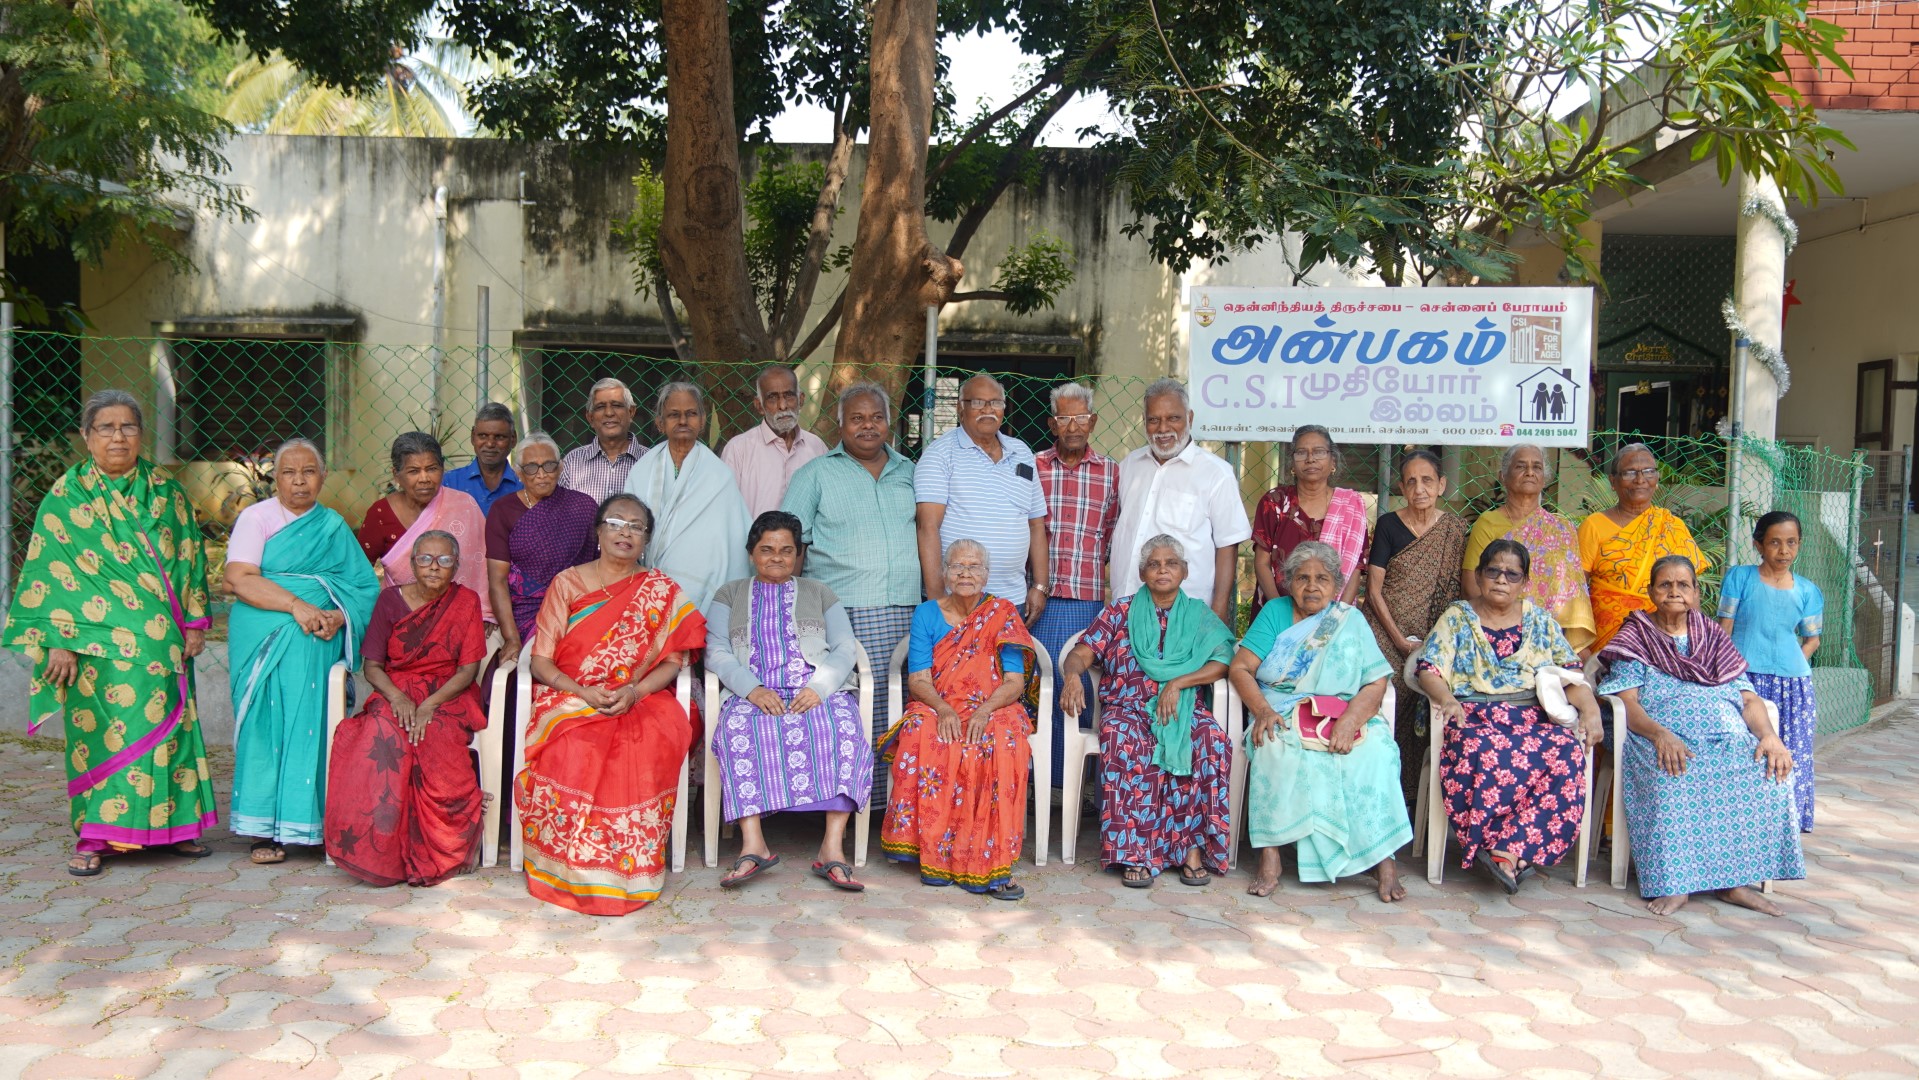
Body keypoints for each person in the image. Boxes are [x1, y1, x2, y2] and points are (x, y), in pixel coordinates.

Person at [4, 390, 218, 876]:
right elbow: (47, 572)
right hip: (93, 645)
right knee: (105, 734)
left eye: (128, 427)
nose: (118, 437)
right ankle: (97, 836)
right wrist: (58, 640)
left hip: (162, 642)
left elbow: (190, 556)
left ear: (141, 434)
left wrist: (195, 621)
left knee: (169, 732)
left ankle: (174, 829)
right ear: (86, 436)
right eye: (106, 427)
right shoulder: (67, 496)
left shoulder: (166, 492)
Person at [516, 494, 708, 914]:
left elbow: (673, 662)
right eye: (617, 522)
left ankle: (627, 869)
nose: (626, 532)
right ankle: (565, 865)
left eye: (636, 526)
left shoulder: (661, 590)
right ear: (598, 532)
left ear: (646, 539)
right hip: (570, 695)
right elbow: (541, 661)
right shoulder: (567, 583)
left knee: (649, 740)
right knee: (572, 745)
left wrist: (634, 693)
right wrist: (583, 692)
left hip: (638, 697)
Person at [1600, 555, 1804, 916]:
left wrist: (1770, 737)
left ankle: (1734, 883)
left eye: (1683, 585)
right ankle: (1676, 884)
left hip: (1725, 736)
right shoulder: (1637, 635)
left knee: (1768, 770)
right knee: (1673, 771)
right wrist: (1660, 734)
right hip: (1661, 735)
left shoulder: (1712, 635)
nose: (1674, 591)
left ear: (1696, 592)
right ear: (1651, 591)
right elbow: (1627, 702)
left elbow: (1748, 698)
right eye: (1665, 584)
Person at [1417, 540, 1604, 893]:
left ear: (1525, 583)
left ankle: (1509, 849)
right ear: (1478, 576)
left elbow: (1570, 675)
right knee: (1483, 747)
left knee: (1566, 750)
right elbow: (1429, 669)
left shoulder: (1542, 621)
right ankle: (1507, 851)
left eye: (1512, 574)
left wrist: (1591, 709)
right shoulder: (1457, 617)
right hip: (1473, 714)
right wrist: (1446, 698)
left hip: (1530, 716)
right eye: (1493, 571)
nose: (1501, 580)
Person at [225, 438, 380, 864]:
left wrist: (340, 617)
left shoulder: (332, 526)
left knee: (313, 725)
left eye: (308, 472)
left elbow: (363, 588)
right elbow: (239, 579)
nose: (299, 481)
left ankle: (309, 826)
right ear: (274, 478)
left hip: (318, 645)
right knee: (265, 725)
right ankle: (261, 831)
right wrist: (296, 605)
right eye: (289, 473)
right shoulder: (256, 518)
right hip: (263, 639)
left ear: (323, 477)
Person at [1231, 541, 1412, 903]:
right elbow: (1240, 668)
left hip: (1343, 711)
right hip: (1282, 708)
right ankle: (1270, 856)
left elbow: (1376, 681)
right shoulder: (1275, 612)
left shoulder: (1350, 620)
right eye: (1302, 578)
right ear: (1289, 582)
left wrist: (1350, 720)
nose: (1312, 586)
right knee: (1274, 745)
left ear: (1336, 585)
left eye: (1322, 579)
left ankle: (1383, 860)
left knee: (1377, 751)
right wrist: (1263, 710)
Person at [705, 512, 874, 891]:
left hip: (812, 691)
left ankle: (832, 848)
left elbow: (845, 647)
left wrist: (820, 687)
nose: (777, 557)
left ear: (798, 555)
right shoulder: (729, 594)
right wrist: (752, 689)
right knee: (737, 727)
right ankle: (754, 845)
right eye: (767, 549)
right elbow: (715, 650)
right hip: (755, 692)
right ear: (751, 553)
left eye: (786, 550)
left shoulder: (819, 592)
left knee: (843, 728)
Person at [1059, 535, 1233, 888]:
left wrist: (1179, 683)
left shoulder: (1198, 614)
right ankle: (1134, 853)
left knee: (1210, 739)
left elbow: (1223, 660)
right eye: (1154, 564)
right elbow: (1081, 652)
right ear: (1142, 573)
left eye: (1171, 563)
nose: (1162, 570)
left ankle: (1191, 849)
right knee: (1123, 740)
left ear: (1184, 572)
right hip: (1127, 707)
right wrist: (1072, 675)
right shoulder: (1119, 612)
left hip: (1181, 706)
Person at [324, 531, 490, 887]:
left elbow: (467, 670)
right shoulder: (389, 601)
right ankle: (381, 849)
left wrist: (430, 704)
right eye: (425, 559)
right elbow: (372, 666)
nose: (434, 567)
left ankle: (447, 846)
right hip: (394, 689)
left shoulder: (466, 601)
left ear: (456, 566)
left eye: (444, 560)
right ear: (412, 564)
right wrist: (398, 698)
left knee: (434, 733)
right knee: (381, 732)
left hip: (448, 693)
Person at [781, 382, 918, 808]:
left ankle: (896, 803)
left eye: (876, 417)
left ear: (890, 423)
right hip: (843, 611)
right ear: (840, 424)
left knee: (903, 705)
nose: (867, 426)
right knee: (854, 706)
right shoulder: (815, 475)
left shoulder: (910, 472)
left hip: (909, 608)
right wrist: (792, 612)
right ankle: (850, 803)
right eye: (857, 418)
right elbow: (789, 544)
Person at [880, 539, 1035, 900]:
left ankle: (988, 857)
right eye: (958, 567)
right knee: (921, 731)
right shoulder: (927, 613)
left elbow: (1014, 682)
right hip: (939, 703)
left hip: (993, 705)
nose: (966, 574)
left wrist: (984, 710)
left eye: (974, 567)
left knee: (1001, 739)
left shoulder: (1002, 612)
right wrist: (944, 708)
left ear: (986, 574)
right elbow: (919, 680)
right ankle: (936, 853)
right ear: (945, 573)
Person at [1364, 450, 1467, 803]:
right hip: (1385, 628)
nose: (1419, 489)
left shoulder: (1455, 530)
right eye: (1411, 482)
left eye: (1427, 480)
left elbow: (1456, 591)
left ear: (1442, 485)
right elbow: (1374, 591)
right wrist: (1398, 640)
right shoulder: (1389, 525)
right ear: (1402, 488)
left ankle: (1414, 797)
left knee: (1429, 698)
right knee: (1383, 694)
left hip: (1434, 634)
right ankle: (1378, 790)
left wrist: (1433, 642)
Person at [1032, 382, 1119, 789]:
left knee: (1082, 685)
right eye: (1063, 418)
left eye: (1081, 417)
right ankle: (1042, 783)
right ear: (1052, 423)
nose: (1072, 426)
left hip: (1087, 597)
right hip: (1041, 597)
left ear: (1093, 421)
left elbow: (1112, 532)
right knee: (1042, 685)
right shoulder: (1033, 466)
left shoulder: (1111, 472)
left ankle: (1074, 785)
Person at [1108, 379, 1250, 626]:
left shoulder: (1216, 473)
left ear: (1189, 418)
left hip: (1183, 616)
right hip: (1125, 608)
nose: (1163, 428)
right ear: (1144, 421)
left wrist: (1218, 611)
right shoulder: (1130, 465)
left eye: (1173, 418)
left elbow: (1227, 546)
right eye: (1154, 419)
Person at [1717, 511, 1823, 832]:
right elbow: (1723, 630)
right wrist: (1725, 674)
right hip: (1744, 680)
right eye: (1774, 542)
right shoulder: (1740, 578)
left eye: (1791, 542)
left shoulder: (1808, 591)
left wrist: (1794, 665)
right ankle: (1742, 821)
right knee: (1745, 749)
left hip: (1794, 686)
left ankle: (1788, 823)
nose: (1784, 550)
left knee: (1793, 749)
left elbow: (1812, 639)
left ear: (1799, 544)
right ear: (1758, 545)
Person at [914, 373, 1049, 616]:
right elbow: (927, 528)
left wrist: (1040, 585)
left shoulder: (1021, 452)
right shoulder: (940, 454)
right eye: (977, 402)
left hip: (1013, 598)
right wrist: (938, 604)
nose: (988, 409)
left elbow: (1036, 523)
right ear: (960, 408)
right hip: (959, 601)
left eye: (995, 402)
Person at [624, 381, 751, 612]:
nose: (683, 421)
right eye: (674, 414)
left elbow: (733, 539)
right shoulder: (642, 470)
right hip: (648, 587)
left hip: (704, 589)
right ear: (660, 423)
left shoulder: (720, 475)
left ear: (702, 421)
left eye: (691, 414)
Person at [1461, 444, 1596, 655]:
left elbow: (1573, 597)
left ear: (1545, 478)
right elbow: (1472, 586)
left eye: (1537, 467)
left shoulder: (1562, 529)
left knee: (1584, 665)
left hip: (1552, 633)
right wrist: (1507, 624)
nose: (1530, 472)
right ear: (1503, 476)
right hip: (1500, 628)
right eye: (1520, 466)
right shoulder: (1487, 523)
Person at [1580, 442, 1706, 651]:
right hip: (1608, 642)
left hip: (1667, 638)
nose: (1640, 480)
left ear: (1657, 479)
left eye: (1648, 471)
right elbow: (1575, 591)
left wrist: (1698, 640)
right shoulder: (1593, 525)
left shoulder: (1673, 526)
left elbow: (1689, 591)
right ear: (1613, 481)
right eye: (1629, 472)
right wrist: (1580, 648)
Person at [485, 432, 599, 661]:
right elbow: (497, 580)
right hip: (526, 613)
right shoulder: (503, 510)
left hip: (577, 609)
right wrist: (511, 638)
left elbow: (599, 567)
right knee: (531, 660)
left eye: (549, 465)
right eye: (531, 468)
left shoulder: (583, 506)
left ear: (560, 468)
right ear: (518, 473)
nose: (541, 474)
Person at [357, 431, 492, 623]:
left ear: (442, 469)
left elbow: (484, 569)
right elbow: (358, 574)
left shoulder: (464, 506)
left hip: (465, 618)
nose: (424, 478)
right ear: (396, 475)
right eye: (413, 471)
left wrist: (485, 615)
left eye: (432, 469)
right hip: (401, 619)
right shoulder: (381, 514)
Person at [1252, 425, 1367, 609]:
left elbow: (1355, 570)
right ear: (1292, 464)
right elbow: (1261, 563)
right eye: (1301, 452)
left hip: (1334, 615)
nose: (1310, 459)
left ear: (1333, 461)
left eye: (1319, 452)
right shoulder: (1275, 503)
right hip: (1278, 610)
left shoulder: (1351, 505)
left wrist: (1336, 617)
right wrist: (1280, 613)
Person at [721, 365, 829, 518]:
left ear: (801, 400)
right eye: (772, 398)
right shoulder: (738, 450)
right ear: (759, 406)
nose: (783, 406)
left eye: (789, 396)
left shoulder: (817, 448)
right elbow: (726, 512)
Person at [559, 378, 648, 503]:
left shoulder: (651, 461)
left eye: (616, 405)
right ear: (590, 418)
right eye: (600, 407)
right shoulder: (572, 462)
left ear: (631, 412)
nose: (609, 413)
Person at [443, 402, 523, 516]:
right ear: (473, 437)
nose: (490, 444)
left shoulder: (524, 485)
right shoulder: (449, 483)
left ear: (513, 439)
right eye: (483, 436)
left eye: (499, 437)